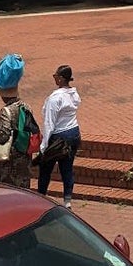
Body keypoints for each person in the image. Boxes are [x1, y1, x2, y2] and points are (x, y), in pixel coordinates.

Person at [0, 53, 38, 188]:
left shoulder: (6, 111)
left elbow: (3, 137)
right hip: (25, 161)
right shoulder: (26, 107)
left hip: (9, 165)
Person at [38, 64, 82, 206]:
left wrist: (44, 145)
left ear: (62, 79)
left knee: (45, 168)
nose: (54, 79)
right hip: (74, 132)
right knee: (67, 168)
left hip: (58, 136)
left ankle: (41, 196)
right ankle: (67, 200)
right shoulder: (74, 94)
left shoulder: (55, 98)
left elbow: (49, 123)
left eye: (56, 76)